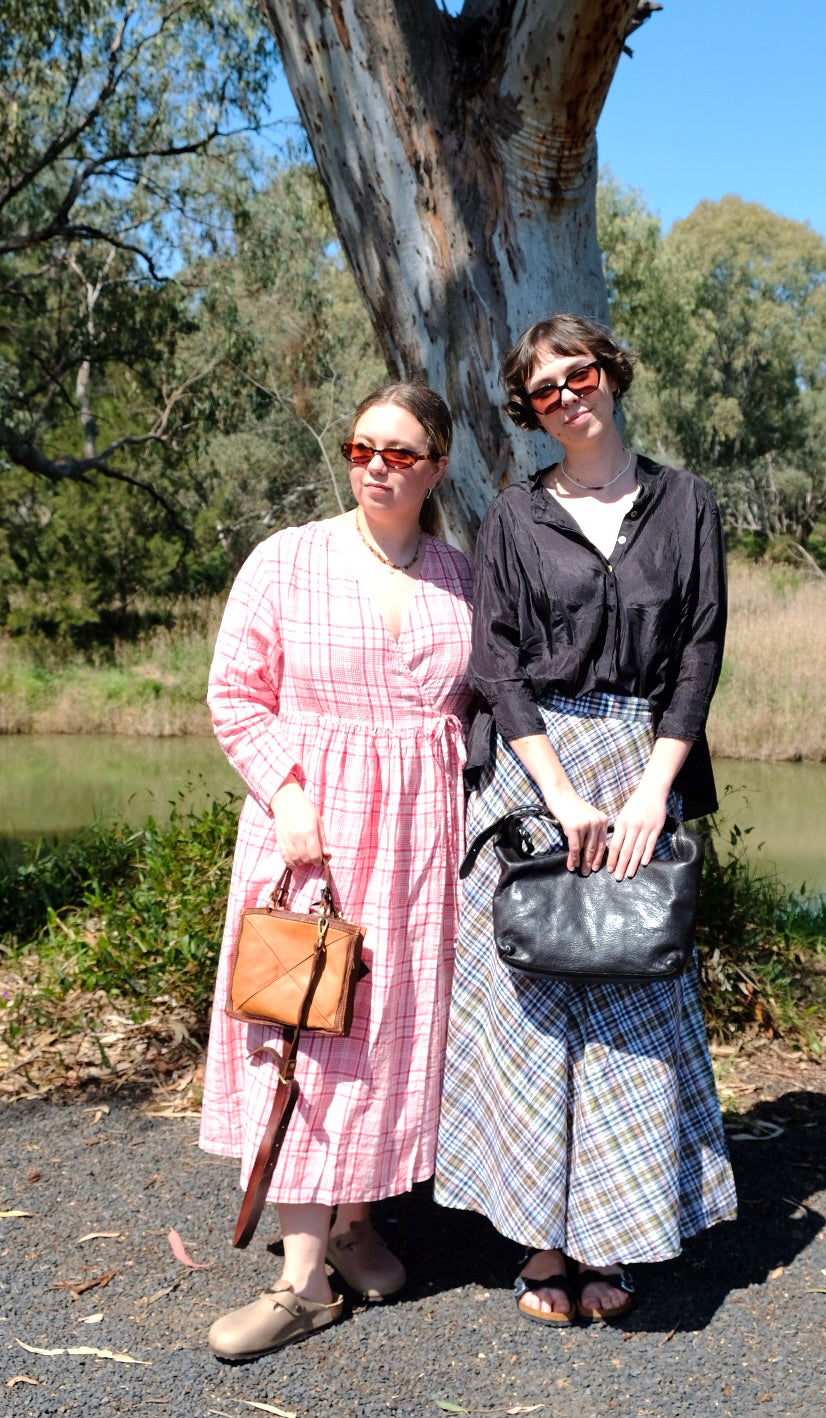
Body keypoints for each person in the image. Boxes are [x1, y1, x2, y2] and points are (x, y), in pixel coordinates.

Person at [435, 314, 737, 1326]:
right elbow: (499, 660)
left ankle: (615, 1232)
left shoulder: (685, 502)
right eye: (548, 389)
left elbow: (699, 649)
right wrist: (559, 794)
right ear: (529, 411)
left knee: (629, 1011)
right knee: (530, 1014)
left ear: (615, 372)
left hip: (645, 763)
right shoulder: (513, 517)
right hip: (535, 774)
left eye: (584, 373)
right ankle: (541, 1240)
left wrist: (653, 788)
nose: (571, 395)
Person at [200, 383, 473, 1359]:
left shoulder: (460, 576)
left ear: (436, 466)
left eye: (401, 452)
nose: (377, 466)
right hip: (307, 836)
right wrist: (285, 790)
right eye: (363, 447)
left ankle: (356, 1221)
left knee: (384, 1035)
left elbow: (485, 711)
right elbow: (234, 696)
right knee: (302, 1036)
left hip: (420, 847)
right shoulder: (287, 560)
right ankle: (299, 1276)